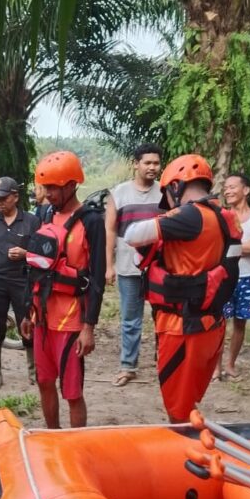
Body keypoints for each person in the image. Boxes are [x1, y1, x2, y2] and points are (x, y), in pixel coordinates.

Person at [124, 154, 242, 423]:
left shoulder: (190, 215)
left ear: (176, 186)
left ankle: (186, 446)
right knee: (189, 402)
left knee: (178, 410)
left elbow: (131, 235)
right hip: (210, 324)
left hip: (182, 327)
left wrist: (163, 221)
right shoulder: (225, 217)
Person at [21, 151, 105, 429]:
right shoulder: (46, 215)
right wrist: (28, 312)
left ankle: (75, 444)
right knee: (44, 381)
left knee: (72, 391)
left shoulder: (91, 221)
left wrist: (88, 327)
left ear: (71, 185)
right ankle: (52, 436)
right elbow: (36, 268)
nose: (48, 193)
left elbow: (97, 278)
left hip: (71, 320)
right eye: (45, 187)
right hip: (42, 316)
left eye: (54, 187)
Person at [105, 143, 162, 386]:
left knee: (163, 317)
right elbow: (110, 229)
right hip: (128, 266)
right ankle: (128, 366)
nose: (152, 167)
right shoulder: (119, 193)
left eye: (156, 163)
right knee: (130, 319)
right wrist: (109, 265)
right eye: (147, 162)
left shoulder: (166, 192)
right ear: (135, 164)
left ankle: (164, 362)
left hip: (160, 266)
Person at [0, 177, 40, 389]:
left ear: (15, 197)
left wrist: (25, 253)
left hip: (23, 281)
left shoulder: (31, 221)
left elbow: (43, 254)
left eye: (3, 198)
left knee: (28, 325)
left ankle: (34, 372)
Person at [216, 173, 250, 380]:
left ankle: (230, 364)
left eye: (232, 187)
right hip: (223, 276)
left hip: (248, 276)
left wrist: (229, 248)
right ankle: (216, 367)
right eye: (226, 188)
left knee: (240, 323)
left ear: (246, 190)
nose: (227, 191)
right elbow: (217, 248)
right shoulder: (221, 217)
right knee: (219, 322)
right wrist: (243, 247)